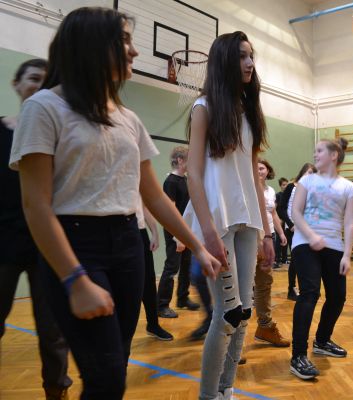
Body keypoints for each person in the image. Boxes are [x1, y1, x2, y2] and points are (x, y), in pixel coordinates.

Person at [9, 8, 220, 398]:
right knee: (105, 376)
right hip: (76, 246)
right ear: (90, 44)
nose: (135, 51)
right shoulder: (44, 108)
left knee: (116, 367)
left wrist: (197, 246)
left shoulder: (128, 118)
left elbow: (153, 195)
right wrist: (74, 278)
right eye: (124, 40)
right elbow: (36, 204)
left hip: (127, 246)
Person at [184, 31, 275, 399]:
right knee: (227, 315)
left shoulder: (248, 111)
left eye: (251, 56)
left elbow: (253, 175)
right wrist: (207, 233)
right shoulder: (203, 107)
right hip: (216, 220)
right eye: (241, 56)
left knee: (245, 313)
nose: (250, 63)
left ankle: (227, 391)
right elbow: (193, 175)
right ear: (224, 61)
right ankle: (209, 395)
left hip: (248, 220)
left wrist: (268, 233)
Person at [1, 58, 72, 400]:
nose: (38, 84)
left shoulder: (58, 136)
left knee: (52, 329)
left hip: (46, 243)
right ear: (16, 84)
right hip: (3, 245)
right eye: (32, 78)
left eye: (45, 80)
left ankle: (56, 390)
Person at [289, 138, 353, 380]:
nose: (315, 154)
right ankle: (298, 355)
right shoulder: (307, 181)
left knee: (338, 296)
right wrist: (311, 236)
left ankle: (322, 340)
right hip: (304, 242)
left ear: (334, 155)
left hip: (334, 245)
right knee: (310, 292)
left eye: (319, 151)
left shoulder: (349, 187)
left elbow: (350, 223)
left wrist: (347, 254)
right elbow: (295, 212)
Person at [157, 146, 200, 318]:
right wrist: (178, 237)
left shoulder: (186, 180)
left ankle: (182, 298)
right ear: (180, 160)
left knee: (186, 265)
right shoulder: (171, 182)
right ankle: (162, 305)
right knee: (171, 267)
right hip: (175, 232)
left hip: (186, 230)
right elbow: (171, 211)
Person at [253, 158, 290, 346]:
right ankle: (234, 336)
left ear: (268, 171)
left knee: (265, 282)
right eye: (256, 167)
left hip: (268, 238)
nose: (259, 170)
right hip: (251, 238)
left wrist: (281, 233)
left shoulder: (269, 191)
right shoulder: (248, 188)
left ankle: (265, 326)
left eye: (262, 168)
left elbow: (273, 213)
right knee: (244, 287)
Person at [280, 163, 317, 301]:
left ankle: (305, 288)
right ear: (302, 172)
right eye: (308, 173)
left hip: (306, 229)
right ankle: (291, 288)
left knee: (306, 259)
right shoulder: (291, 187)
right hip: (293, 229)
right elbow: (281, 208)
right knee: (296, 260)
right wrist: (291, 225)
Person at [139, 204, 173, 340]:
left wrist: (154, 232)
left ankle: (153, 325)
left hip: (138, 232)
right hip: (107, 231)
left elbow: (143, 205)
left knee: (148, 281)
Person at [274, 177, 289, 267]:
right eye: (283, 185)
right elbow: (274, 209)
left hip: (287, 222)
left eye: (286, 184)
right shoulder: (278, 195)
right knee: (279, 240)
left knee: (286, 240)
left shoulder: (289, 196)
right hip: (279, 221)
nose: (285, 186)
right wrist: (278, 220)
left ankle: (284, 259)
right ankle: (277, 259)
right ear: (280, 186)